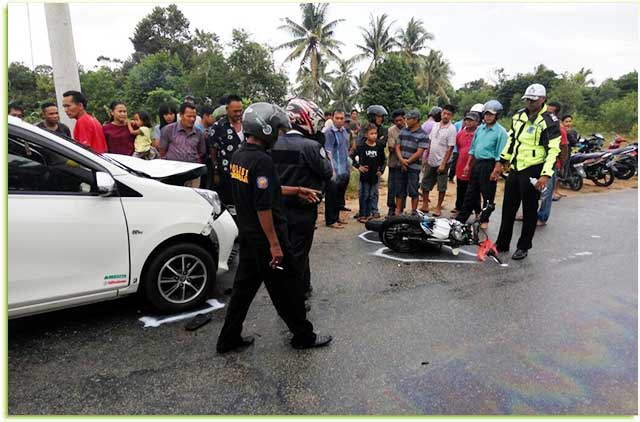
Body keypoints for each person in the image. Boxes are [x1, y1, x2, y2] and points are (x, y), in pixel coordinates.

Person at [216, 102, 332, 354]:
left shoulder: (240, 155)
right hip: (266, 240)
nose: (280, 134)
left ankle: (228, 338)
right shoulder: (262, 161)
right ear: (265, 128)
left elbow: (263, 189)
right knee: (288, 289)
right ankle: (304, 336)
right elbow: (263, 206)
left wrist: (296, 190)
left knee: (242, 292)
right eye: (278, 129)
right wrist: (275, 245)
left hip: (248, 236)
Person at [272, 97, 333, 300]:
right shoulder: (311, 147)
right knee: (298, 253)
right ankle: (295, 296)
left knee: (288, 249)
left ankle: (302, 287)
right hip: (303, 210)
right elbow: (327, 173)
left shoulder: (272, 144)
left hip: (278, 209)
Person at [494, 83, 561, 260]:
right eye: (527, 100)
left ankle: (523, 246)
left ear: (542, 100)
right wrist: (501, 161)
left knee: (530, 210)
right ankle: (502, 243)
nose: (529, 103)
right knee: (508, 207)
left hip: (534, 168)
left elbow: (554, 150)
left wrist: (546, 174)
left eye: (533, 100)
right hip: (516, 167)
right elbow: (512, 140)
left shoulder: (549, 120)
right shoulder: (519, 115)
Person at [455, 101, 509, 229]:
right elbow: (473, 149)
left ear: (497, 116)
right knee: (471, 192)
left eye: (491, 115)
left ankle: (485, 218)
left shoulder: (500, 132)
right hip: (477, 163)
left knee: (488, 193)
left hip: (490, 164)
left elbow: (500, 153)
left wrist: (496, 169)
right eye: (486, 114)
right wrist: (468, 165)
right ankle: (462, 218)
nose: (488, 117)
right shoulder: (480, 129)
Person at [159, 102, 206, 187]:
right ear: (181, 115)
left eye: (194, 117)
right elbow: (162, 151)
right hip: (172, 174)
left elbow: (201, 152)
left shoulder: (199, 133)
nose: (192, 119)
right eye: (189, 116)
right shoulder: (168, 130)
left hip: (193, 174)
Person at [422, 104, 457, 216]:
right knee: (425, 183)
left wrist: (443, 163)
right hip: (431, 160)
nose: (445, 116)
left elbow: (450, 147)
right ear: (441, 113)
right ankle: (425, 205)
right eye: (444, 113)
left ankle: (438, 207)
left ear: (451, 116)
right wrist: (426, 157)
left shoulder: (452, 129)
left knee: (441, 186)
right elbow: (430, 141)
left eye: (448, 114)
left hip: (443, 162)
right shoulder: (435, 125)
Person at [537, 101, 569, 224]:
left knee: (546, 192)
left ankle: (542, 217)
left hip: (551, 164)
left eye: (550, 111)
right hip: (536, 162)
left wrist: (561, 163)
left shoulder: (559, 128)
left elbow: (564, 147)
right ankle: (529, 213)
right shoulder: (540, 124)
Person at [211, 94, 244, 206]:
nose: (238, 114)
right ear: (227, 109)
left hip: (245, 173)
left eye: (240, 110)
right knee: (229, 205)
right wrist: (215, 172)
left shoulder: (247, 124)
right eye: (235, 111)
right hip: (226, 174)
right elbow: (213, 150)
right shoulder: (218, 127)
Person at [395, 110, 428, 215]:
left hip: (414, 167)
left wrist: (407, 162)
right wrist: (402, 160)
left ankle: (413, 212)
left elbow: (419, 152)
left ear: (415, 120)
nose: (406, 121)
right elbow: (397, 147)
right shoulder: (403, 131)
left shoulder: (423, 135)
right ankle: (398, 210)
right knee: (400, 189)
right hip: (401, 165)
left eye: (408, 119)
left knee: (414, 190)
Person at [351, 124, 386, 222]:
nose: (374, 135)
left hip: (375, 176)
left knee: (372, 195)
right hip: (364, 176)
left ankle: (370, 213)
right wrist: (359, 167)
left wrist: (381, 170)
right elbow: (352, 157)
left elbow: (383, 160)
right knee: (364, 195)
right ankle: (363, 214)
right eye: (371, 133)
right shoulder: (361, 146)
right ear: (366, 135)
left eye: (375, 133)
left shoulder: (379, 146)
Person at [324, 109, 352, 227]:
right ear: (333, 118)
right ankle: (331, 220)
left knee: (339, 195)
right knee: (331, 195)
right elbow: (328, 151)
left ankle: (336, 218)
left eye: (342, 118)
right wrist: (333, 170)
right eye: (337, 118)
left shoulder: (345, 131)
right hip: (334, 169)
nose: (339, 121)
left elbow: (345, 149)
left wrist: (347, 166)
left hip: (343, 168)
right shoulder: (329, 132)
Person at [451, 111, 481, 217]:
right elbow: (459, 147)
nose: (468, 122)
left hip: (474, 165)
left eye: (471, 120)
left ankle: (478, 211)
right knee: (460, 187)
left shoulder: (479, 133)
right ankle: (459, 208)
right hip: (461, 164)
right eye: (466, 120)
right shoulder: (461, 133)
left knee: (474, 189)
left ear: (477, 122)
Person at [386, 109, 406, 216]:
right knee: (391, 187)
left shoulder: (409, 129)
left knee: (402, 187)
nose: (399, 122)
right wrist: (404, 149)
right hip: (394, 164)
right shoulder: (391, 131)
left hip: (406, 164)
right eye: (396, 120)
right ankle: (391, 207)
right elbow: (391, 148)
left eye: (401, 120)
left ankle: (401, 207)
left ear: (404, 119)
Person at [199, 105, 216, 189]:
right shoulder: (197, 130)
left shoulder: (213, 129)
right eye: (212, 116)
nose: (213, 119)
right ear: (205, 116)